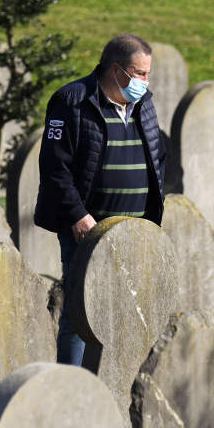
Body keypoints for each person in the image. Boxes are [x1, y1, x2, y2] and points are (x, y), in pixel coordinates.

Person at [35, 33, 168, 365]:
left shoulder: (144, 104)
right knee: (80, 317)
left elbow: (157, 157)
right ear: (116, 70)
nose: (144, 82)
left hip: (134, 231)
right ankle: (74, 385)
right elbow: (54, 167)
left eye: (147, 74)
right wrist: (77, 215)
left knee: (128, 314)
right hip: (87, 231)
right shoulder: (72, 101)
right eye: (139, 74)